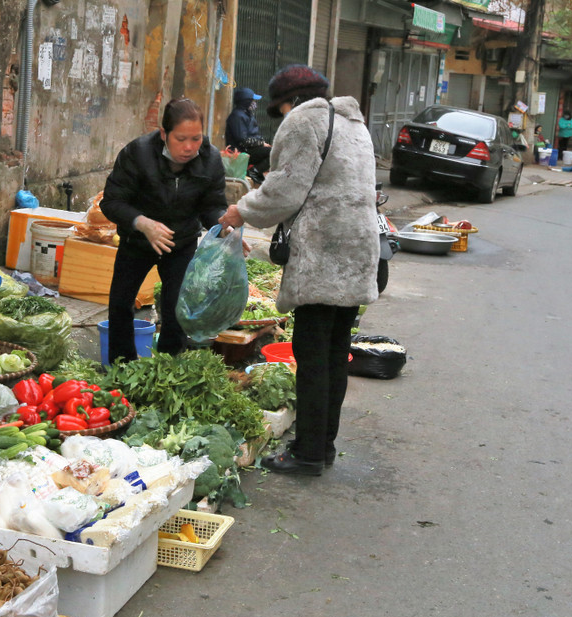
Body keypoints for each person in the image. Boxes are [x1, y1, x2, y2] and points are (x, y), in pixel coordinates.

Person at [219, 65, 381, 476]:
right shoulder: (352, 122)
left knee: (311, 356)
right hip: (357, 252)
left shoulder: (303, 121)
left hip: (323, 254)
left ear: (289, 103)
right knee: (333, 353)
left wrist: (242, 210)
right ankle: (322, 444)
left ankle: (307, 453)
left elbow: (285, 191)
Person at [100, 98, 227, 364]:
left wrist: (224, 226)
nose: (190, 147)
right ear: (163, 134)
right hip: (137, 241)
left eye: (196, 138)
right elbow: (112, 201)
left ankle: (168, 367)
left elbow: (212, 205)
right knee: (121, 303)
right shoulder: (138, 153)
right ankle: (122, 367)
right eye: (181, 138)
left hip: (180, 243)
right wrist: (142, 223)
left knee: (176, 309)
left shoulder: (211, 159)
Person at [224, 87, 271, 176]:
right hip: (240, 152)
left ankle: (256, 171)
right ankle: (254, 171)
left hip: (250, 149)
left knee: (274, 151)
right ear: (246, 102)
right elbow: (243, 140)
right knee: (272, 152)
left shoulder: (246, 114)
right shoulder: (237, 116)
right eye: (253, 100)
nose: (255, 103)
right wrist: (261, 144)